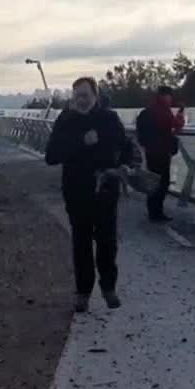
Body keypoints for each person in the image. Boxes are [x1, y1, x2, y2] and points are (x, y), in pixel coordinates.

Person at [45, 77, 135, 312]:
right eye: (77, 96)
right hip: (76, 188)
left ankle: (108, 287)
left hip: (106, 187)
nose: (81, 100)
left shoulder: (109, 118)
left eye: (85, 95)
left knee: (107, 240)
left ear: (95, 95)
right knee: (81, 241)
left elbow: (126, 147)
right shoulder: (66, 120)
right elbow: (51, 155)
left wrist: (125, 166)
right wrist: (80, 141)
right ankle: (83, 292)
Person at [136, 86, 184, 222]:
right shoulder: (162, 108)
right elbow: (175, 123)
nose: (171, 99)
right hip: (161, 152)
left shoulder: (149, 109)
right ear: (166, 95)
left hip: (150, 151)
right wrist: (180, 117)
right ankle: (157, 213)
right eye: (170, 96)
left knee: (153, 181)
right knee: (163, 183)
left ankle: (153, 211)